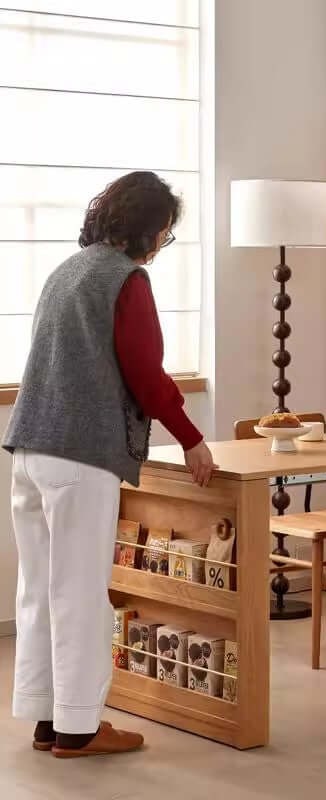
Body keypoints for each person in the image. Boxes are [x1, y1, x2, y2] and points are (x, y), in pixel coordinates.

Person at [2, 171, 216, 757]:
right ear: (148, 227)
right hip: (79, 454)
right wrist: (192, 438)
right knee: (80, 590)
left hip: (28, 447)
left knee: (42, 588)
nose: (161, 245)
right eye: (165, 233)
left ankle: (48, 720)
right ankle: (80, 728)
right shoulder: (127, 279)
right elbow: (146, 374)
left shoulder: (66, 272)